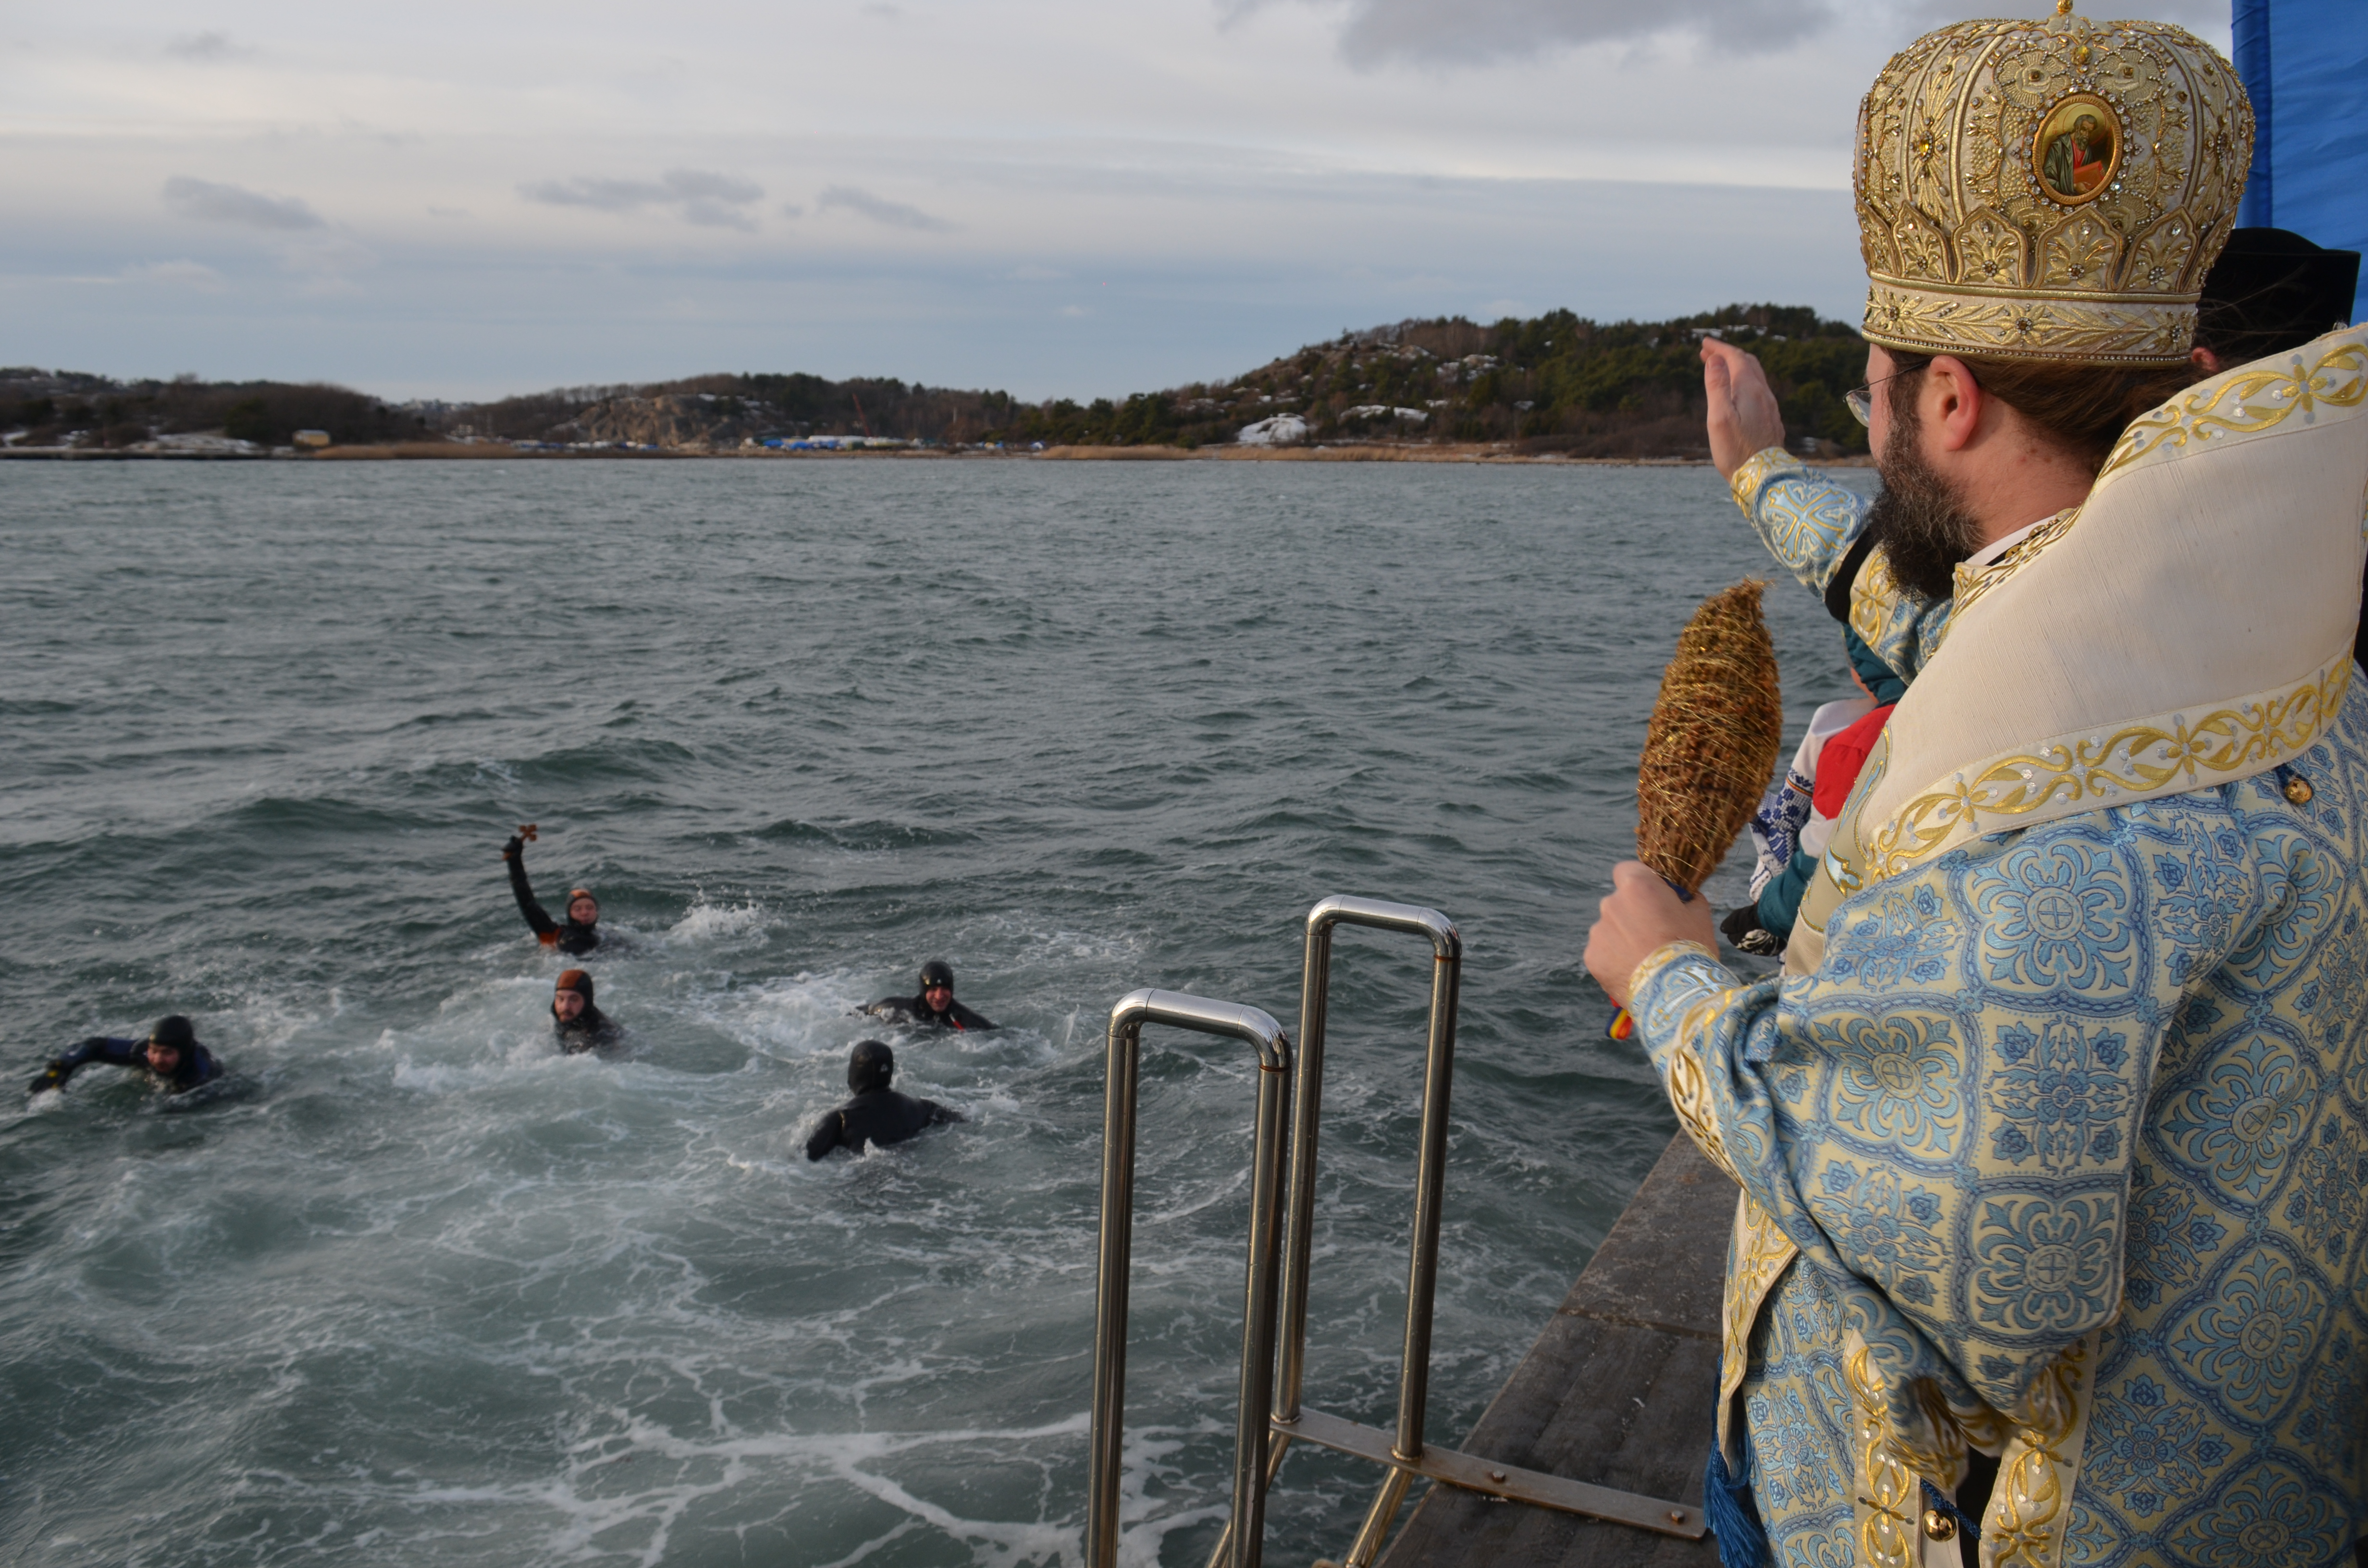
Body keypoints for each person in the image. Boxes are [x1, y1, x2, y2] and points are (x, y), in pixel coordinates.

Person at [1589, 11, 2368, 1566]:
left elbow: (1949, 1241)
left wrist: (1664, 975)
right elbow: (1938, 619)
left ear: (1944, 403)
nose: (1869, 420)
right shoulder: (2272, 634)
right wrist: (1755, 473)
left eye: (1875, 389)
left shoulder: (2027, 796)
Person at [804, 1040, 963, 1159]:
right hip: (909, 1177)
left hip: (860, 1180)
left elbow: (806, 1158)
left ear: (854, 1073)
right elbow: (963, 1121)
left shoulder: (842, 1118)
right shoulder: (923, 1107)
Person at [29, 1015, 222, 1095]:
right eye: (154, 1050)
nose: (156, 1059)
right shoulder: (143, 1052)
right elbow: (95, 1045)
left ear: (185, 1053)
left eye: (167, 1053)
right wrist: (61, 1068)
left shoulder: (199, 1076)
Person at [502, 829, 600, 955]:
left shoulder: (605, 936)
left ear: (597, 911)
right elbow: (527, 903)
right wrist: (514, 863)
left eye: (589, 907)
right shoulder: (553, 933)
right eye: (577, 909)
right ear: (569, 913)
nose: (585, 913)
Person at [864, 960, 995, 1030]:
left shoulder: (967, 1020)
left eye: (945, 989)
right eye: (933, 989)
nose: (939, 996)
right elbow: (857, 1013)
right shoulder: (896, 1009)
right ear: (923, 990)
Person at [550, 969, 615, 1052]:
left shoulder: (605, 1035)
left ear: (587, 1002)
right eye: (561, 999)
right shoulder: (554, 1022)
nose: (565, 1007)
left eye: (573, 1000)